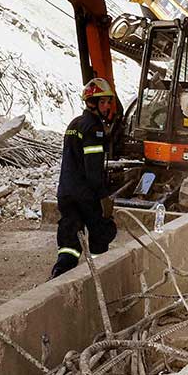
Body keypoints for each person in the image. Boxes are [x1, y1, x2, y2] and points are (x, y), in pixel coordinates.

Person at [51, 78, 119, 278]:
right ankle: (99, 277)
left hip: (66, 193)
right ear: (92, 103)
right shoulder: (94, 128)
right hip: (85, 195)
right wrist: (103, 197)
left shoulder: (74, 124)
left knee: (69, 241)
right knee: (102, 233)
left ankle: (60, 275)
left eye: (108, 101)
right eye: (103, 102)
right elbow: (93, 170)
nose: (107, 106)